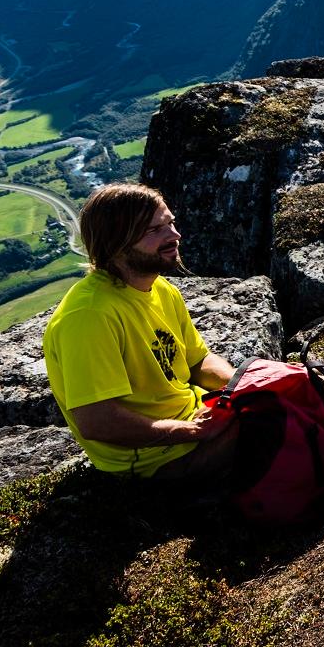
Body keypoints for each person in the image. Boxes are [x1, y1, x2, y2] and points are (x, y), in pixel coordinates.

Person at [42, 183, 238, 480]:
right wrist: (194, 431)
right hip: (152, 457)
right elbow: (97, 421)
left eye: (170, 223)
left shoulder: (159, 289)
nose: (174, 236)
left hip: (192, 421)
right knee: (282, 428)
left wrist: (242, 389)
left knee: (295, 395)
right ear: (116, 243)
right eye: (153, 230)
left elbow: (198, 361)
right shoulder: (89, 316)